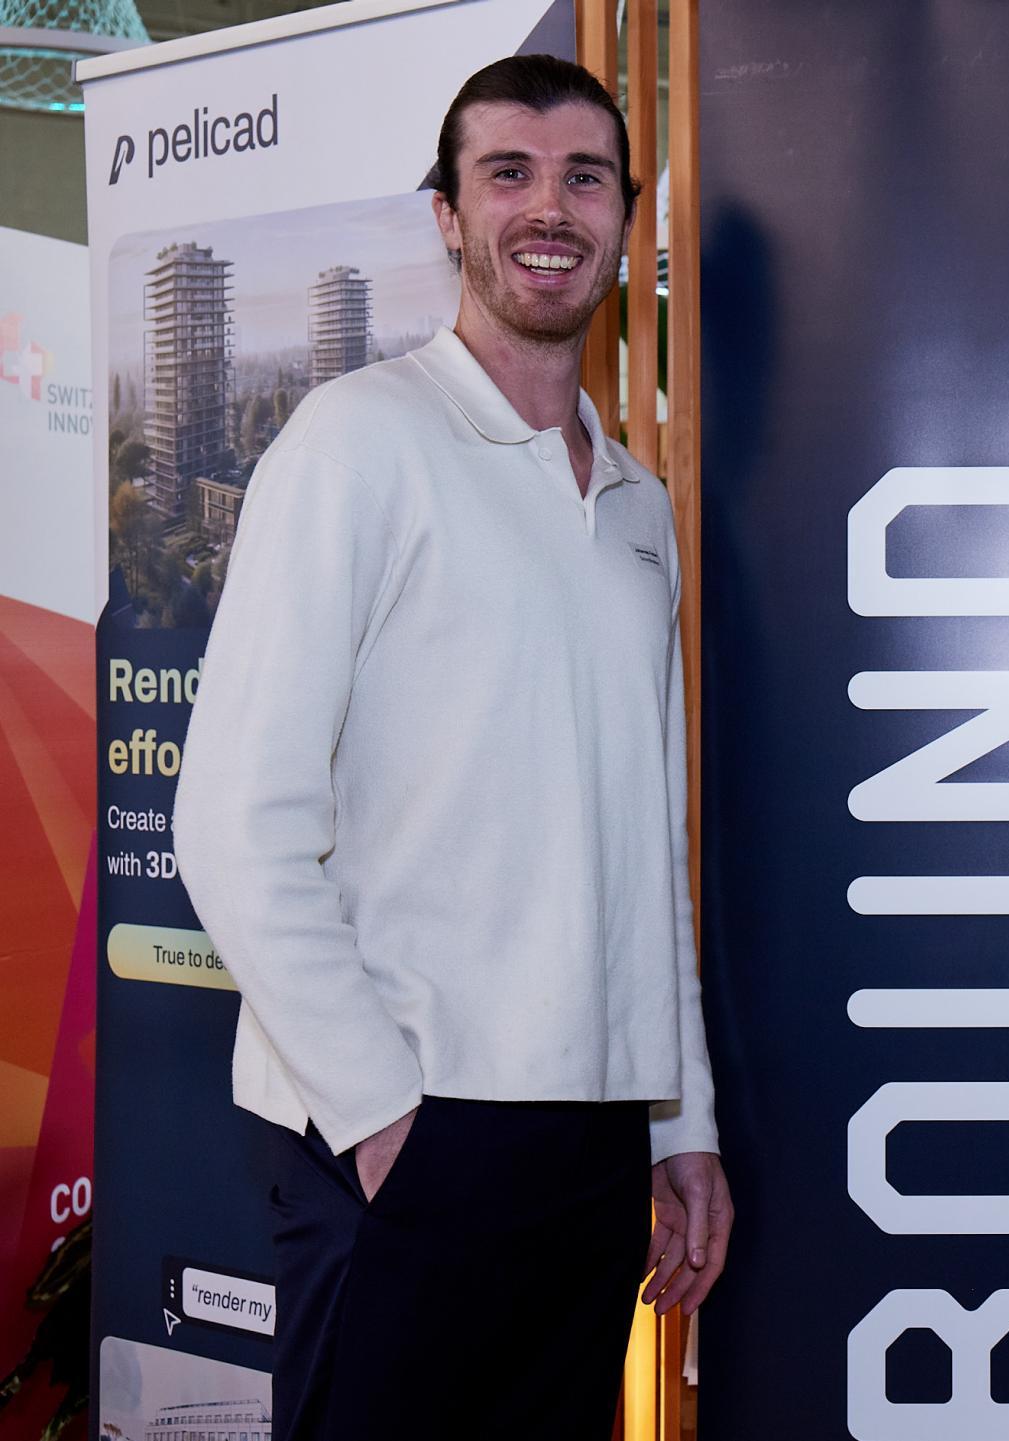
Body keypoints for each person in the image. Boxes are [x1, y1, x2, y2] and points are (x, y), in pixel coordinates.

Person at [172, 55, 730, 1440]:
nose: (550, 209)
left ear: (624, 218)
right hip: (407, 1124)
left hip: (590, 1139)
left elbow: (646, 852)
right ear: (447, 214)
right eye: (508, 173)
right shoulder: (355, 443)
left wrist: (678, 1126)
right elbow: (233, 822)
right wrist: (378, 1115)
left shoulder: (638, 508)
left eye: (585, 178)